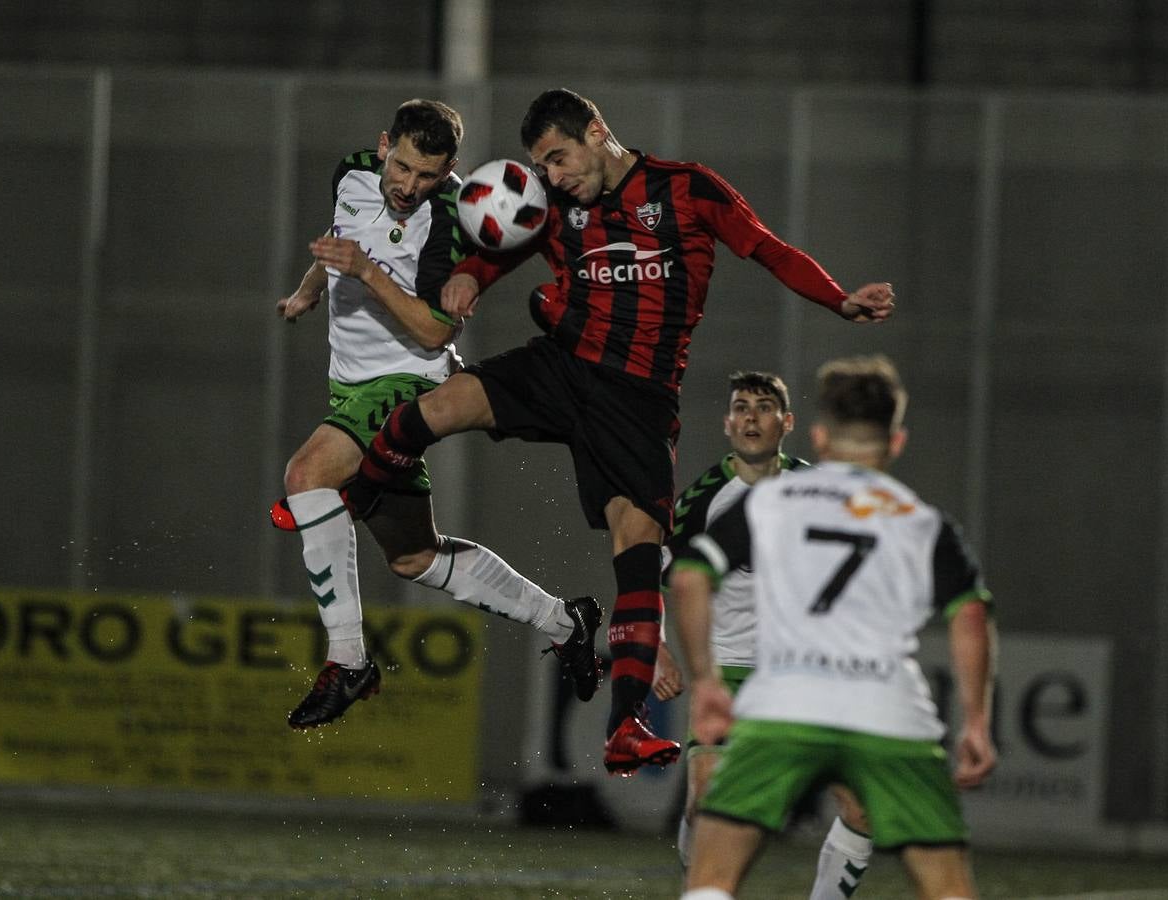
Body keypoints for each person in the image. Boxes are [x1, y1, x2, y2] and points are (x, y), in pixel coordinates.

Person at [339, 88, 896, 774]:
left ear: (597, 131)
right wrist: (466, 277)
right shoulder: (551, 204)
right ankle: (360, 490)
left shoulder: (685, 189)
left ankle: (626, 724)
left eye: (560, 158)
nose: (554, 176)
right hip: (562, 366)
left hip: (637, 398)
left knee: (637, 550)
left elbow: (768, 249)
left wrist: (838, 298)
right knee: (441, 405)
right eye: (541, 166)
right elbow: (498, 250)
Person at [273, 98, 602, 730]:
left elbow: (430, 331)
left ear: (449, 169)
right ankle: (565, 620)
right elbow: (341, 243)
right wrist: (307, 292)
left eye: (427, 176)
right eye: (401, 168)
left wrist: (367, 273)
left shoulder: (453, 217)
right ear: (382, 146)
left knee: (306, 475)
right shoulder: (351, 173)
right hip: (348, 385)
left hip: (406, 382)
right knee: (413, 558)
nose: (408, 186)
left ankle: (348, 662)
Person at [669, 355, 996, 900]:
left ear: (817, 436)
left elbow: (689, 577)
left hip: (784, 701)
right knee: (946, 887)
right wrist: (978, 722)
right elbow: (971, 614)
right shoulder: (921, 520)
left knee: (713, 874)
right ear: (896, 443)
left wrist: (703, 679)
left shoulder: (772, 503)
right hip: (886, 710)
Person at [665, 370, 873, 898]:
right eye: (741, 406)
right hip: (731, 673)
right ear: (728, 423)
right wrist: (660, 648)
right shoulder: (702, 501)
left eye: (763, 406)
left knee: (862, 808)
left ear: (787, 422)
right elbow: (661, 577)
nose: (751, 417)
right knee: (705, 805)